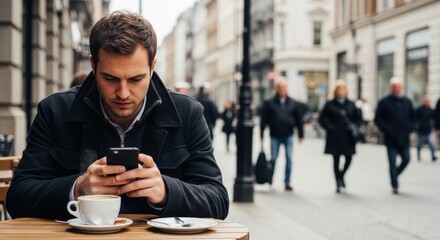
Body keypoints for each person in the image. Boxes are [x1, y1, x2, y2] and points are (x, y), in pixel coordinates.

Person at [6, 11, 229, 221]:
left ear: (152, 68)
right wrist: (76, 189)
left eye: (135, 79)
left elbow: (218, 200)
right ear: (93, 66)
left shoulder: (188, 113)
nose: (123, 93)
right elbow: (18, 198)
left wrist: (166, 191)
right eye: (110, 79)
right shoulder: (55, 110)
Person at [260, 78, 304, 191]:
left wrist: (300, 134)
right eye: (280, 87)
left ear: (286, 88)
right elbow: (263, 119)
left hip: (288, 134)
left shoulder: (293, 103)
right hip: (275, 135)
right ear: (276, 88)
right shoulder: (269, 102)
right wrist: (261, 135)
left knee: (289, 158)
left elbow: (299, 119)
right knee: (274, 158)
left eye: (284, 87)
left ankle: (287, 181)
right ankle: (270, 178)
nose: (282, 89)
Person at [318, 81, 362, 193]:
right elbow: (322, 119)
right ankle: (337, 182)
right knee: (336, 159)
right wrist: (330, 127)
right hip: (335, 137)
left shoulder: (351, 104)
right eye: (339, 89)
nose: (341, 91)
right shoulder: (330, 104)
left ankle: (341, 175)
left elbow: (358, 118)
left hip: (348, 137)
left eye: (343, 89)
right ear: (336, 91)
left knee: (349, 158)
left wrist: (355, 126)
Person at [374, 77, 415, 194]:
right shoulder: (384, 102)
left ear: (401, 87)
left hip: (404, 137)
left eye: (398, 86)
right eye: (394, 87)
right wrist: (386, 129)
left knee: (406, 158)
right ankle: (394, 184)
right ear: (391, 88)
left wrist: (410, 128)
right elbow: (378, 118)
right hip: (390, 138)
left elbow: (413, 117)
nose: (396, 89)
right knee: (392, 162)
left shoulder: (407, 101)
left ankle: (395, 175)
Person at [415, 97, 437, 161]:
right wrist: (417, 125)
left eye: (427, 101)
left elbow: (434, 119)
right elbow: (415, 118)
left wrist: (435, 127)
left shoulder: (431, 110)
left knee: (430, 142)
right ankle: (418, 155)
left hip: (428, 129)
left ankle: (433, 155)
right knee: (419, 143)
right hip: (420, 129)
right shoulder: (419, 109)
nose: (426, 102)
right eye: (425, 101)